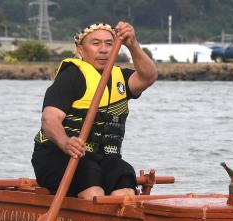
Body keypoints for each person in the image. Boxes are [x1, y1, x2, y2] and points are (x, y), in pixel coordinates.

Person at [32, 21, 157, 199]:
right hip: (58, 156)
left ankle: (122, 220)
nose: (104, 49)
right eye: (96, 43)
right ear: (81, 50)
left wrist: (133, 44)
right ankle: (93, 216)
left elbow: (148, 76)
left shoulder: (120, 77)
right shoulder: (71, 77)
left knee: (124, 176)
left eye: (109, 43)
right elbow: (49, 119)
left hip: (102, 158)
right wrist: (66, 142)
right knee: (92, 183)